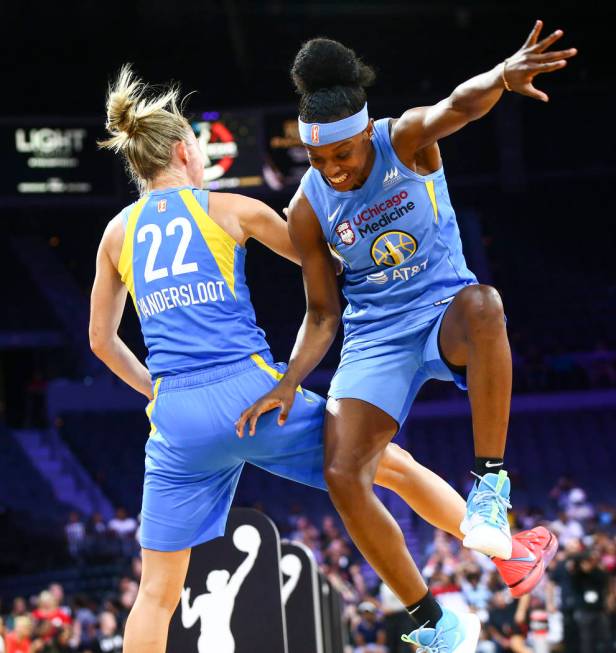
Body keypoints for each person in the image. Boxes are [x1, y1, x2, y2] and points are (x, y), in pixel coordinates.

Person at [90, 66, 558, 653]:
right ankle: (511, 554)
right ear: (186, 151)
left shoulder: (115, 232)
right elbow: (325, 264)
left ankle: (471, 585)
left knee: (156, 594)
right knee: (388, 467)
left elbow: (101, 342)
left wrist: (154, 392)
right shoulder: (230, 209)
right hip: (249, 395)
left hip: (177, 417)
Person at [237, 22, 575, 649]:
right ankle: (431, 624)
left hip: (443, 308)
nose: (332, 169)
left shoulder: (406, 140)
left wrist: (501, 75)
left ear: (365, 134)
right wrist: (288, 381)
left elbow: (459, 105)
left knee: (485, 304)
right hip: (375, 337)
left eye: (342, 155)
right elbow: (320, 314)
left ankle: (491, 489)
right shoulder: (308, 208)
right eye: (317, 159)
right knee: (343, 473)